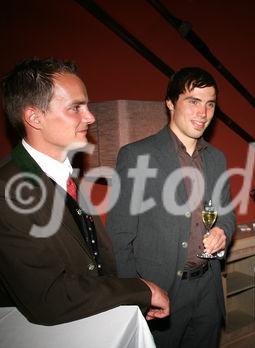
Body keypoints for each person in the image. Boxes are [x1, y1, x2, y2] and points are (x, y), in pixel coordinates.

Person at [0, 58, 169, 325]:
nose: (90, 118)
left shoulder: (65, 173)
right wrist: (139, 290)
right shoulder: (6, 193)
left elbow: (95, 257)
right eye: (76, 108)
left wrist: (125, 300)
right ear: (34, 117)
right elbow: (50, 298)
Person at [106, 67, 235, 348]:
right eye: (193, 101)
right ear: (170, 102)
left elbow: (226, 213)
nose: (203, 112)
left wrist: (223, 230)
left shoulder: (217, 159)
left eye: (210, 104)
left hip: (208, 290)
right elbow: (118, 237)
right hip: (161, 293)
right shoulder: (136, 155)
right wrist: (137, 295)